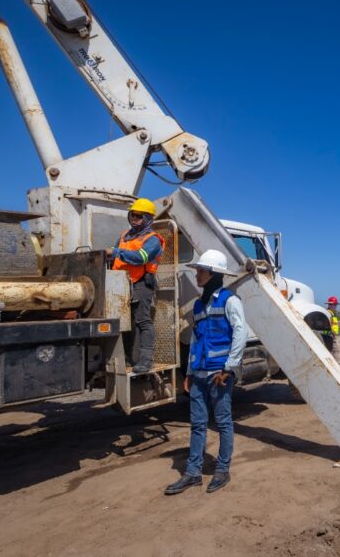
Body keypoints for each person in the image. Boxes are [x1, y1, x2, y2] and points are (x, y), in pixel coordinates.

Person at [165, 250, 246, 495]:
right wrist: (189, 373)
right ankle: (193, 474)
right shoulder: (199, 305)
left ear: (212, 273)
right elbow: (196, 340)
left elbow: (240, 332)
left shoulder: (230, 300)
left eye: (200, 271)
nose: (197, 275)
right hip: (199, 374)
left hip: (219, 374)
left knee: (223, 422)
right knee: (197, 425)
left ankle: (222, 470)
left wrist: (229, 368)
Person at [110, 198, 164, 374]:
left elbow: (141, 257)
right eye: (132, 214)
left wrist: (116, 252)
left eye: (139, 216)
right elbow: (115, 256)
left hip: (141, 283)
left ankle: (146, 360)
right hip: (121, 284)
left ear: (148, 218)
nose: (134, 218)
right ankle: (126, 357)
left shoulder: (152, 239)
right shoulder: (124, 235)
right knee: (125, 322)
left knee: (142, 320)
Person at [324, 296, 340, 362]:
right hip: (330, 336)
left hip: (330, 335)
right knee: (335, 351)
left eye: (336, 305)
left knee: (331, 351)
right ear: (330, 305)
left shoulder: (331, 313)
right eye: (335, 305)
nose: (336, 306)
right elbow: (328, 324)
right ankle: (338, 365)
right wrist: (332, 333)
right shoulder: (329, 313)